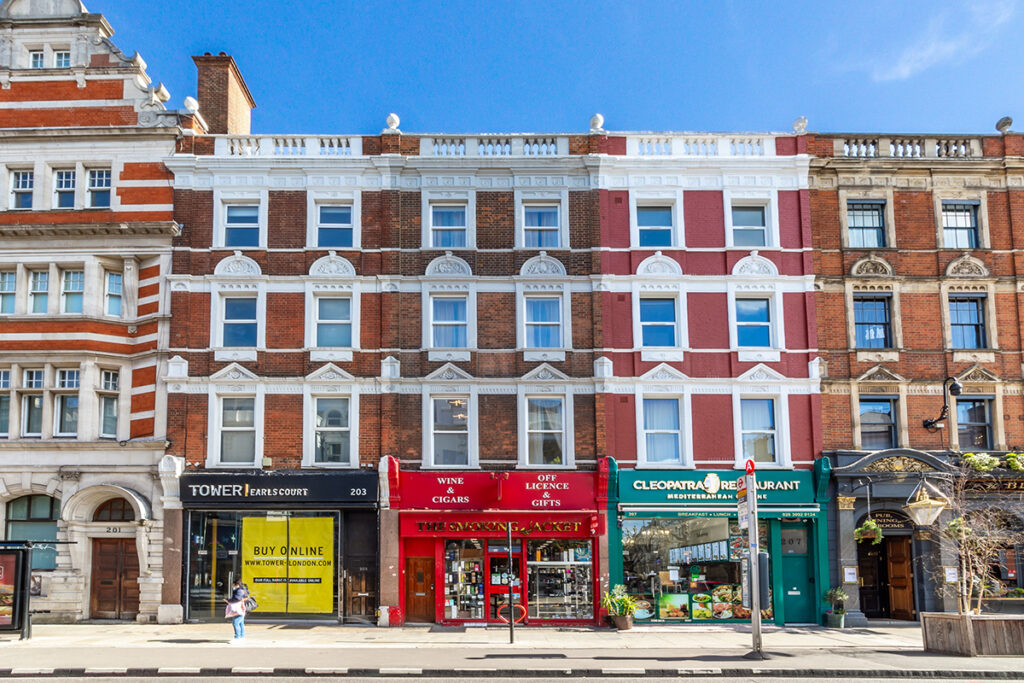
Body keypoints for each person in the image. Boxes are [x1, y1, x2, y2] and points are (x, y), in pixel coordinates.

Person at [224, 578, 248, 643]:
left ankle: (237, 637)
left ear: (237, 585)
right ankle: (242, 637)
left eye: (233, 585)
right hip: (241, 608)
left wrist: (228, 600)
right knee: (241, 623)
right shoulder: (243, 590)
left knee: (235, 622)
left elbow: (237, 598)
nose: (232, 586)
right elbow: (245, 597)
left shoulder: (239, 591)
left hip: (238, 609)